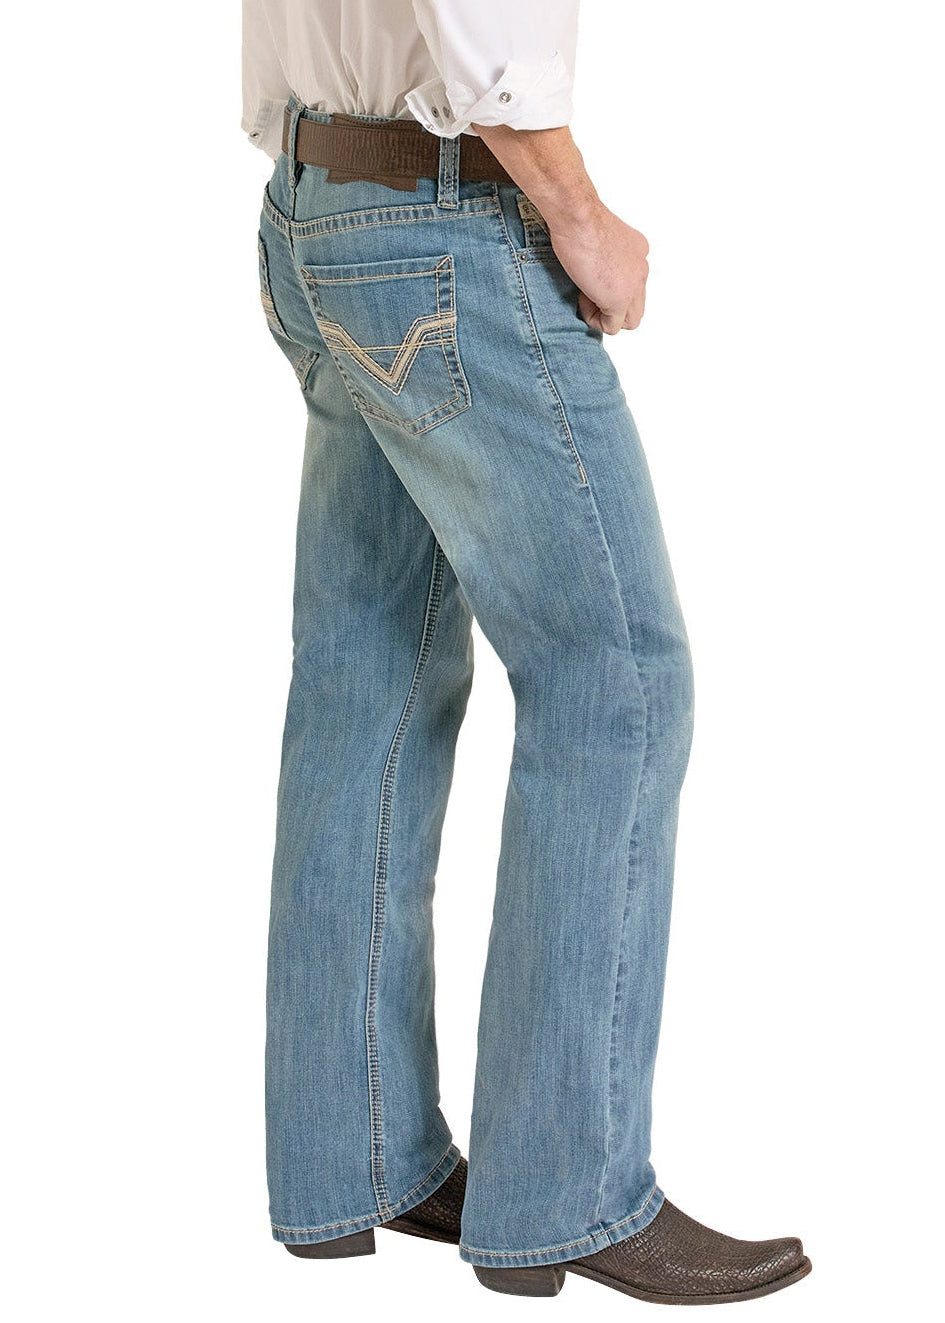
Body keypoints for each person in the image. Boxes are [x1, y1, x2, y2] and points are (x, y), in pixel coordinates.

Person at [242, 0, 811, 1304]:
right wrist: (576, 214)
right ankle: (565, 1193)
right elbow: (483, 35)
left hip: (317, 204)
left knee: (363, 679)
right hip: (449, 225)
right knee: (615, 681)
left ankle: (352, 1160)